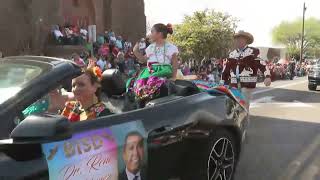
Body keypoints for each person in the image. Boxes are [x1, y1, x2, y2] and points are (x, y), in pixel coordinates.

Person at [127, 23, 178, 104]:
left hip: (163, 70)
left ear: (159, 34)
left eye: (152, 32)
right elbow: (143, 60)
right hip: (150, 71)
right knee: (138, 84)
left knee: (155, 82)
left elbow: (175, 63)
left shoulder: (171, 47)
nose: (150, 34)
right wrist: (135, 51)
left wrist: (174, 77)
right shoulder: (150, 47)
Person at [221, 30, 271, 110]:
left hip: (247, 84)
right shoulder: (232, 54)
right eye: (237, 39)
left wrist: (267, 76)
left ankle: (244, 120)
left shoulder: (253, 52)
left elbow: (262, 64)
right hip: (233, 84)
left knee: (243, 105)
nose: (238, 40)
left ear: (246, 40)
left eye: (241, 38)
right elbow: (225, 70)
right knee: (232, 105)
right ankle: (237, 120)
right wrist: (222, 82)